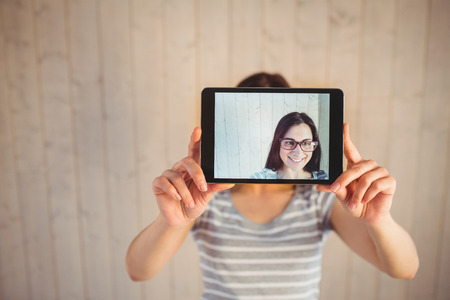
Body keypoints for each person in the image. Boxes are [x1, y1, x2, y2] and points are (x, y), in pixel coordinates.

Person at [126, 72, 419, 300]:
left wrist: (380, 219)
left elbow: (405, 269)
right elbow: (138, 271)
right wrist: (169, 220)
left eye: (306, 142)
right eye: (289, 141)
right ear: (277, 141)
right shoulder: (205, 198)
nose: (298, 150)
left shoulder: (320, 197)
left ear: (314, 144)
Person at [251, 111, 328, 180]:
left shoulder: (325, 179)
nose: (298, 153)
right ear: (277, 144)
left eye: (306, 143)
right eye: (289, 143)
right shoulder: (259, 179)